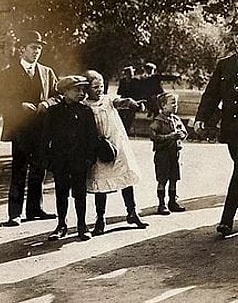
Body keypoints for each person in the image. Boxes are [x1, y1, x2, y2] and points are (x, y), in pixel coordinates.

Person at [194, 9, 238, 237]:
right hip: (231, 128)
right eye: (235, 34)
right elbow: (211, 94)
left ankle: (227, 220)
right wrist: (201, 117)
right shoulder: (224, 64)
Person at [0, 30, 58, 227]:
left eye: (39, 49)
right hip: (20, 130)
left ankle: (35, 210)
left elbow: (58, 95)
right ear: (22, 49)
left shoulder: (47, 72)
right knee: (19, 170)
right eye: (33, 48)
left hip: (42, 129)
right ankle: (14, 214)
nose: (37, 52)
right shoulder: (7, 74)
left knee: (39, 170)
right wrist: (19, 106)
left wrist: (48, 103)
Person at [84, 70, 149, 235]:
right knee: (101, 181)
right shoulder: (85, 105)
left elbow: (121, 101)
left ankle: (132, 212)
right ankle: (100, 218)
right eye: (95, 87)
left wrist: (133, 103)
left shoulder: (107, 100)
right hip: (99, 148)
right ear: (87, 88)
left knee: (125, 176)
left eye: (101, 86)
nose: (99, 90)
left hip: (117, 144)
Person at [39, 76, 99, 241]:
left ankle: (82, 225)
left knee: (80, 194)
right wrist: (48, 160)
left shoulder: (86, 111)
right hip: (60, 160)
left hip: (80, 160)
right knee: (61, 193)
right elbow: (46, 138)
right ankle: (61, 225)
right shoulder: (54, 112)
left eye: (82, 90)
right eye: (76, 90)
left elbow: (92, 138)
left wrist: (89, 158)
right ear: (65, 91)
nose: (81, 93)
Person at [149, 92, 188, 215]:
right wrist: (169, 137)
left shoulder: (176, 119)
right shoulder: (158, 121)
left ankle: (173, 201)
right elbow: (153, 136)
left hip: (174, 154)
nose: (175, 105)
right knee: (163, 178)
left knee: (174, 178)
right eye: (172, 103)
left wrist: (181, 135)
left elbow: (184, 132)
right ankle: (161, 204)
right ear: (163, 106)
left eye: (176, 103)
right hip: (163, 154)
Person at [116, 66, 138, 136]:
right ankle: (122, 130)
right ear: (126, 74)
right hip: (124, 101)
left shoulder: (135, 81)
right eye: (129, 73)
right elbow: (119, 92)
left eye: (132, 73)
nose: (131, 75)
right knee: (121, 114)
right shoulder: (122, 81)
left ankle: (126, 130)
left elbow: (138, 92)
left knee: (130, 115)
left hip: (133, 101)